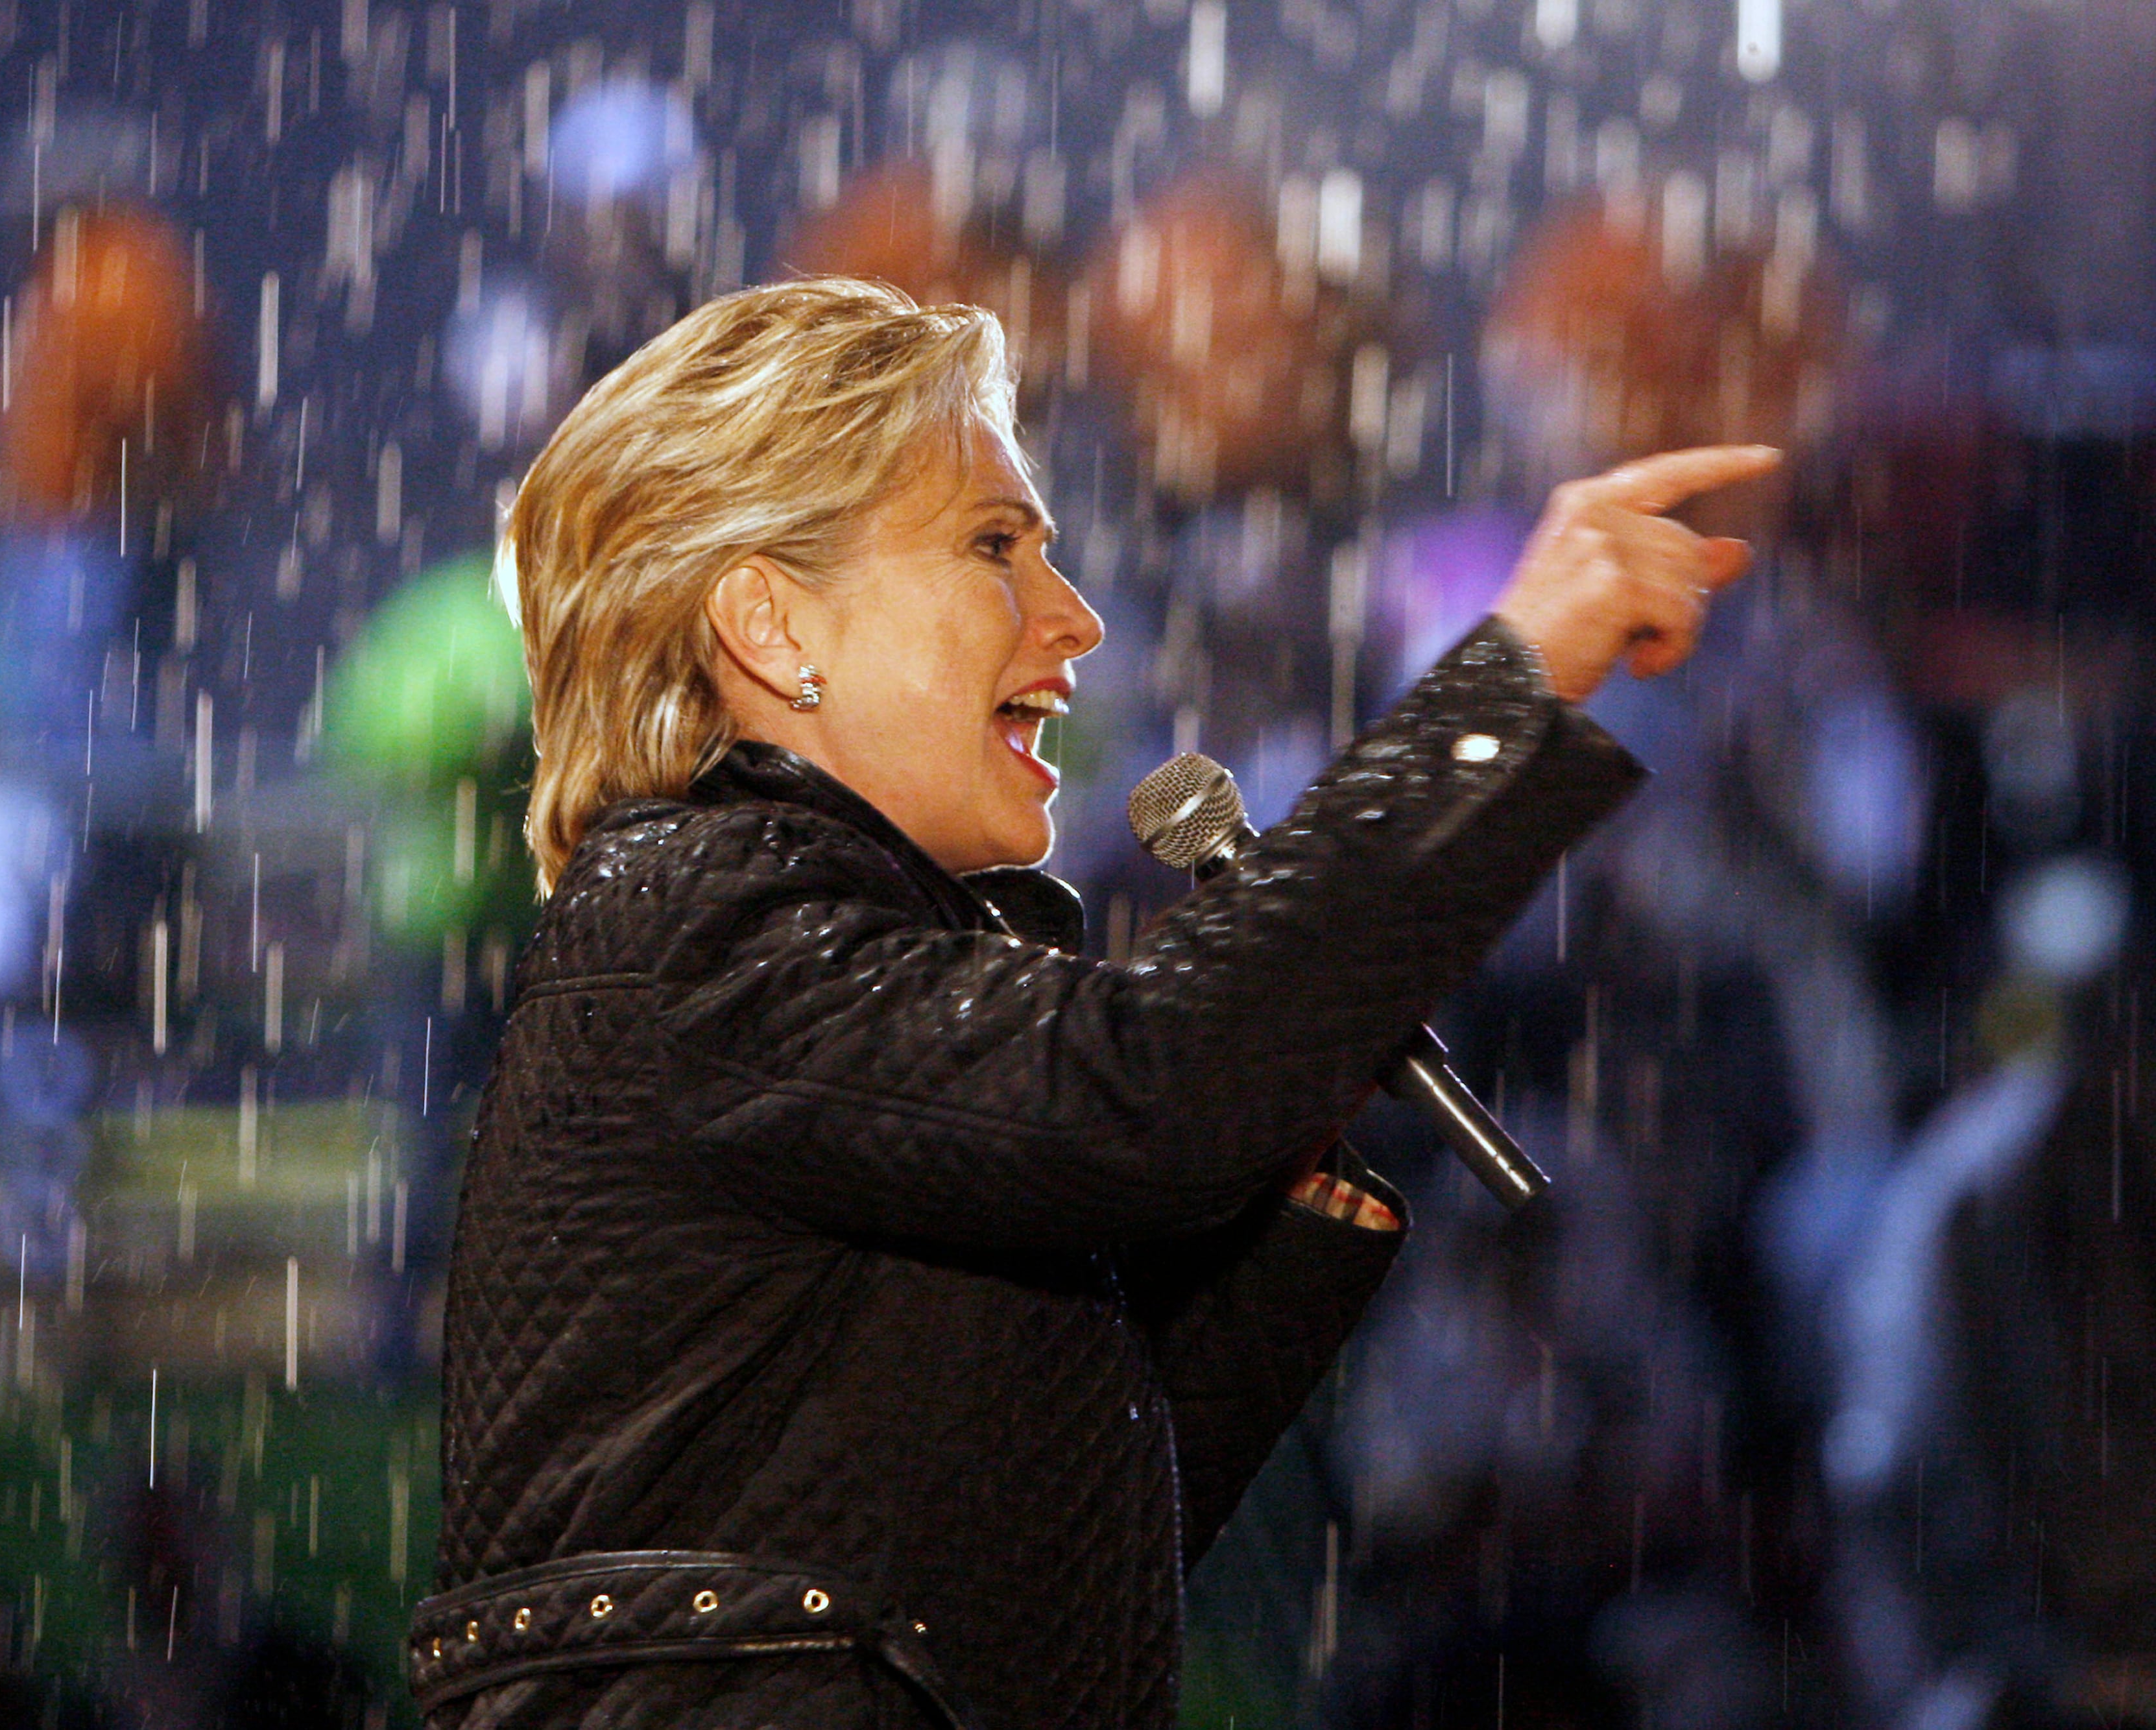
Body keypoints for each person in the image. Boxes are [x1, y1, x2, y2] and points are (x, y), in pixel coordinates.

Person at [412, 276, 1778, 1730]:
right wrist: (1506, 692)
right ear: (768, 619)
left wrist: (1287, 1058)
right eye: (993, 545)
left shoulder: (779, 951)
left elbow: (1061, 1546)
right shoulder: (693, 919)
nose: (1074, 621)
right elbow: (1141, 1093)